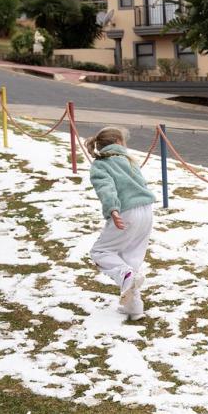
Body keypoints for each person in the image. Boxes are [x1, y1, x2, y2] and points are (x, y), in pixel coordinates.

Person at [86, 126, 156, 320]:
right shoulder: (128, 160)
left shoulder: (101, 164)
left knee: (100, 252)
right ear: (118, 141)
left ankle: (126, 276)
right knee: (131, 257)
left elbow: (106, 188)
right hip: (146, 211)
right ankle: (134, 308)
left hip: (126, 212)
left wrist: (113, 210)